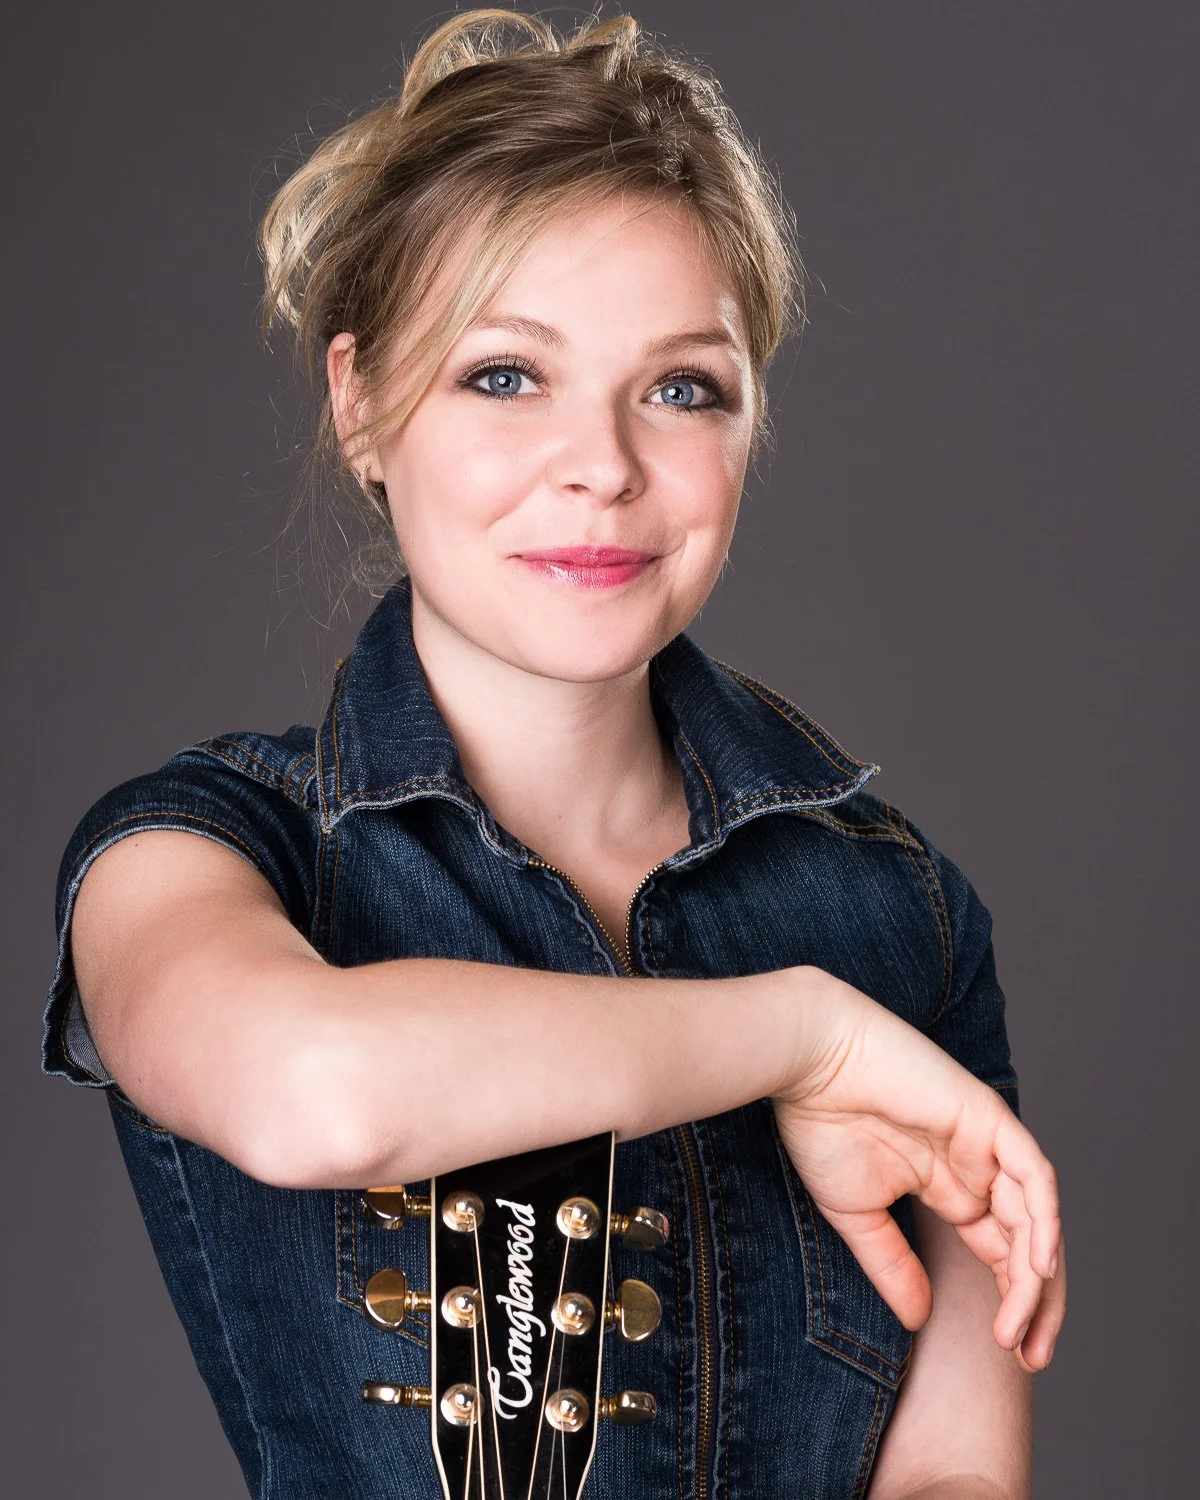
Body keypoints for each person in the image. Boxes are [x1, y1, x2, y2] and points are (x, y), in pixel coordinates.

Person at [42, 9, 1065, 1499]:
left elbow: (957, 1476)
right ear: (361, 406)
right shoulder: (195, 850)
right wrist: (799, 1040)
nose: (604, 463)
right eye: (506, 374)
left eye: (682, 386)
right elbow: (311, 1093)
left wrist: (837, 1010)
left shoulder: (899, 914)